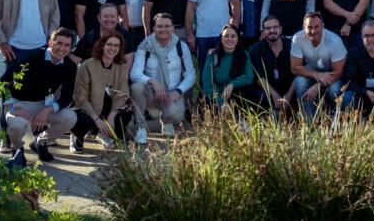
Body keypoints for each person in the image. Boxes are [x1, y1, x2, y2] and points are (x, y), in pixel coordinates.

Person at [4, 28, 78, 162]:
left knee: (70, 117)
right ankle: (17, 150)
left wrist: (47, 110)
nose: (62, 48)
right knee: (17, 125)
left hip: (44, 104)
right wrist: (12, 107)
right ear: (50, 43)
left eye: (67, 45)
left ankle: (41, 142)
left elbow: (67, 96)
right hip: (19, 103)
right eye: (59, 43)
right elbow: (4, 80)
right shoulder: (33, 56)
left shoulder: (70, 66)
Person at [130, 13, 196, 142]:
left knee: (175, 115)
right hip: (150, 92)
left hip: (172, 94)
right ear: (153, 28)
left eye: (167, 26)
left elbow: (191, 74)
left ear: (173, 28)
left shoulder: (181, 47)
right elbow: (135, 73)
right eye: (159, 26)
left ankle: (166, 121)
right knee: (136, 87)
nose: (163, 29)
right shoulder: (145, 46)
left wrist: (178, 91)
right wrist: (153, 82)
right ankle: (141, 128)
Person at [70, 31, 134, 152]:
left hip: (108, 109)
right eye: (109, 44)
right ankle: (77, 135)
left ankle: (102, 134)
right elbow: (80, 98)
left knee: (124, 115)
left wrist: (112, 115)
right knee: (83, 119)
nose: (113, 48)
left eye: (116, 46)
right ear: (102, 45)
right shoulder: (87, 65)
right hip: (89, 109)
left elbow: (122, 94)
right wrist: (96, 119)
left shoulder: (122, 67)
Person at [290, 12, 347, 119]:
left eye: (316, 27)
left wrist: (318, 85)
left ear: (323, 26)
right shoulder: (297, 38)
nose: (313, 31)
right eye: (309, 27)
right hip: (311, 69)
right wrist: (316, 75)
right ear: (303, 27)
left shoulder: (335, 41)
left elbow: (339, 71)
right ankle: (309, 121)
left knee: (334, 90)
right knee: (299, 82)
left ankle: (334, 119)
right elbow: (295, 68)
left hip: (333, 72)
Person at [249, 14, 296, 115]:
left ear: (281, 29)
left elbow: (298, 72)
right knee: (259, 95)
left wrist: (288, 96)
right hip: (268, 92)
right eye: (268, 28)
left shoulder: (292, 46)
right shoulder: (256, 49)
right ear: (264, 31)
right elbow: (259, 77)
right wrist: (275, 96)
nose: (272, 30)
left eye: (275, 27)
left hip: (289, 91)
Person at [201, 24, 256, 109]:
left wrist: (232, 84)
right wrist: (221, 103)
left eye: (233, 36)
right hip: (217, 96)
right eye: (226, 36)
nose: (229, 39)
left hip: (236, 94)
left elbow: (249, 76)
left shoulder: (244, 54)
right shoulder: (213, 56)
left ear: (238, 39)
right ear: (221, 38)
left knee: (250, 92)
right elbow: (207, 86)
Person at [71, 2, 137, 68]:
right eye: (105, 16)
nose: (109, 19)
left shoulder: (125, 36)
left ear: (117, 19)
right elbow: (74, 59)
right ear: (98, 18)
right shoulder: (90, 36)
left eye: (112, 16)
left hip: (116, 76)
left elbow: (129, 62)